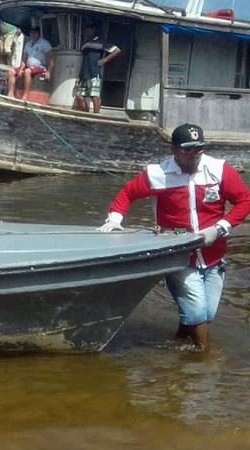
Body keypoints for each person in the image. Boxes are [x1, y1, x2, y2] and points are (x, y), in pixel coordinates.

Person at [97, 124, 250, 350]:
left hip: (215, 258)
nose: (194, 155)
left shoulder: (219, 170)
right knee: (198, 313)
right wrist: (115, 219)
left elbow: (244, 201)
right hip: (179, 258)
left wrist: (220, 228)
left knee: (207, 314)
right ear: (174, 150)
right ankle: (203, 361)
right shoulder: (158, 175)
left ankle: (180, 342)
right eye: (187, 150)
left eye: (199, 149)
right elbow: (127, 194)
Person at [74, 25, 122, 114]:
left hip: (95, 73)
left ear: (94, 31)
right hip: (85, 74)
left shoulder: (101, 43)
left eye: (89, 30)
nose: (87, 32)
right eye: (86, 30)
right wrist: (79, 76)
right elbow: (83, 61)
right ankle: (85, 113)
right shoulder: (85, 45)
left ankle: (96, 115)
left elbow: (117, 50)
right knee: (79, 96)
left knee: (94, 95)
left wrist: (104, 60)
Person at [6, 26, 53, 99]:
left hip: (41, 67)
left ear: (38, 34)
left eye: (34, 33)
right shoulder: (28, 44)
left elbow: (51, 59)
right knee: (11, 71)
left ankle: (26, 95)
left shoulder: (44, 43)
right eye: (31, 33)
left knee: (27, 71)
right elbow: (24, 59)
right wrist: (21, 69)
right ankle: (10, 93)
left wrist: (49, 72)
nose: (32, 34)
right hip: (29, 67)